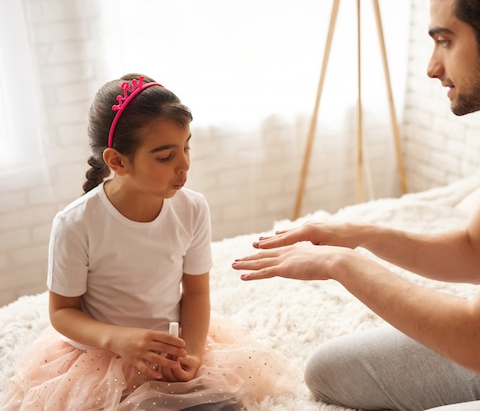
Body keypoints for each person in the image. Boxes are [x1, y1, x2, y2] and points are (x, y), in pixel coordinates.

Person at [232, 0, 480, 410]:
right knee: (326, 370)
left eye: (445, 41)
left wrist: (341, 265)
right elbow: (476, 252)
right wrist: (354, 235)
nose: (432, 67)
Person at [2, 74, 296, 411]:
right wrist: (120, 339)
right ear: (117, 161)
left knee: (223, 402)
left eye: (186, 146)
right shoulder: (76, 224)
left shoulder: (193, 208)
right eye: (165, 157)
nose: (184, 165)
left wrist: (194, 354)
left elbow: (196, 292)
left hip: (173, 346)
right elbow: (62, 313)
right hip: (103, 353)